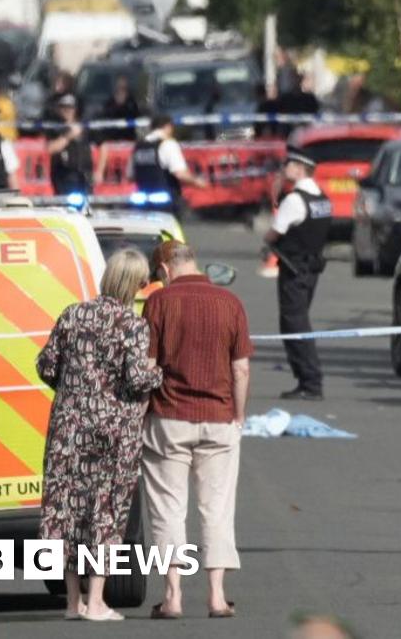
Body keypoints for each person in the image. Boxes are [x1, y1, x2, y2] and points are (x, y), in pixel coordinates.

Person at [35, 248, 163, 622]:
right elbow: (138, 379)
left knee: (66, 512)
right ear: (136, 284)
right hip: (114, 432)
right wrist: (160, 374)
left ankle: (72, 602)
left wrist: (72, 390)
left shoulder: (73, 314)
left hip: (68, 430)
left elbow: (46, 365)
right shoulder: (134, 326)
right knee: (105, 513)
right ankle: (97, 602)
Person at [141, 241, 252, 620]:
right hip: (219, 418)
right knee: (217, 509)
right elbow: (241, 369)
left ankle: (172, 596)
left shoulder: (159, 303)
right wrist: (239, 416)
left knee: (168, 509)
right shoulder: (230, 303)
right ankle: (217, 596)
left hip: (169, 417)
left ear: (166, 269)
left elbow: (148, 366)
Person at [264, 148, 331, 400]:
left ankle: (310, 382)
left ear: (300, 168)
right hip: (311, 269)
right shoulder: (322, 197)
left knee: (294, 324)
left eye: (288, 164)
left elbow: (273, 233)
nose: (284, 167)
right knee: (299, 321)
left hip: (294, 269)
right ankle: (307, 381)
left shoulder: (295, 199)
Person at [132, 115, 208, 209]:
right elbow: (180, 174)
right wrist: (198, 182)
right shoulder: (168, 144)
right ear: (168, 126)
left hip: (143, 201)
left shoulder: (139, 146)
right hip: (166, 201)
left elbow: (130, 175)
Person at [45, 94, 93, 196]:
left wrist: (99, 171)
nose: (67, 110)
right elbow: (51, 148)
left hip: (84, 175)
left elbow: (102, 143)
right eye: (63, 107)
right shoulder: (55, 128)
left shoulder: (84, 127)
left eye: (70, 107)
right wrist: (69, 136)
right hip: (64, 176)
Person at [99, 75, 140, 143]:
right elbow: (106, 116)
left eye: (124, 88)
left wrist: (125, 105)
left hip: (128, 136)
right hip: (112, 137)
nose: (121, 90)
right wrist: (117, 105)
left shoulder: (131, 101)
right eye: (120, 88)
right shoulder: (110, 101)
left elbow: (136, 115)